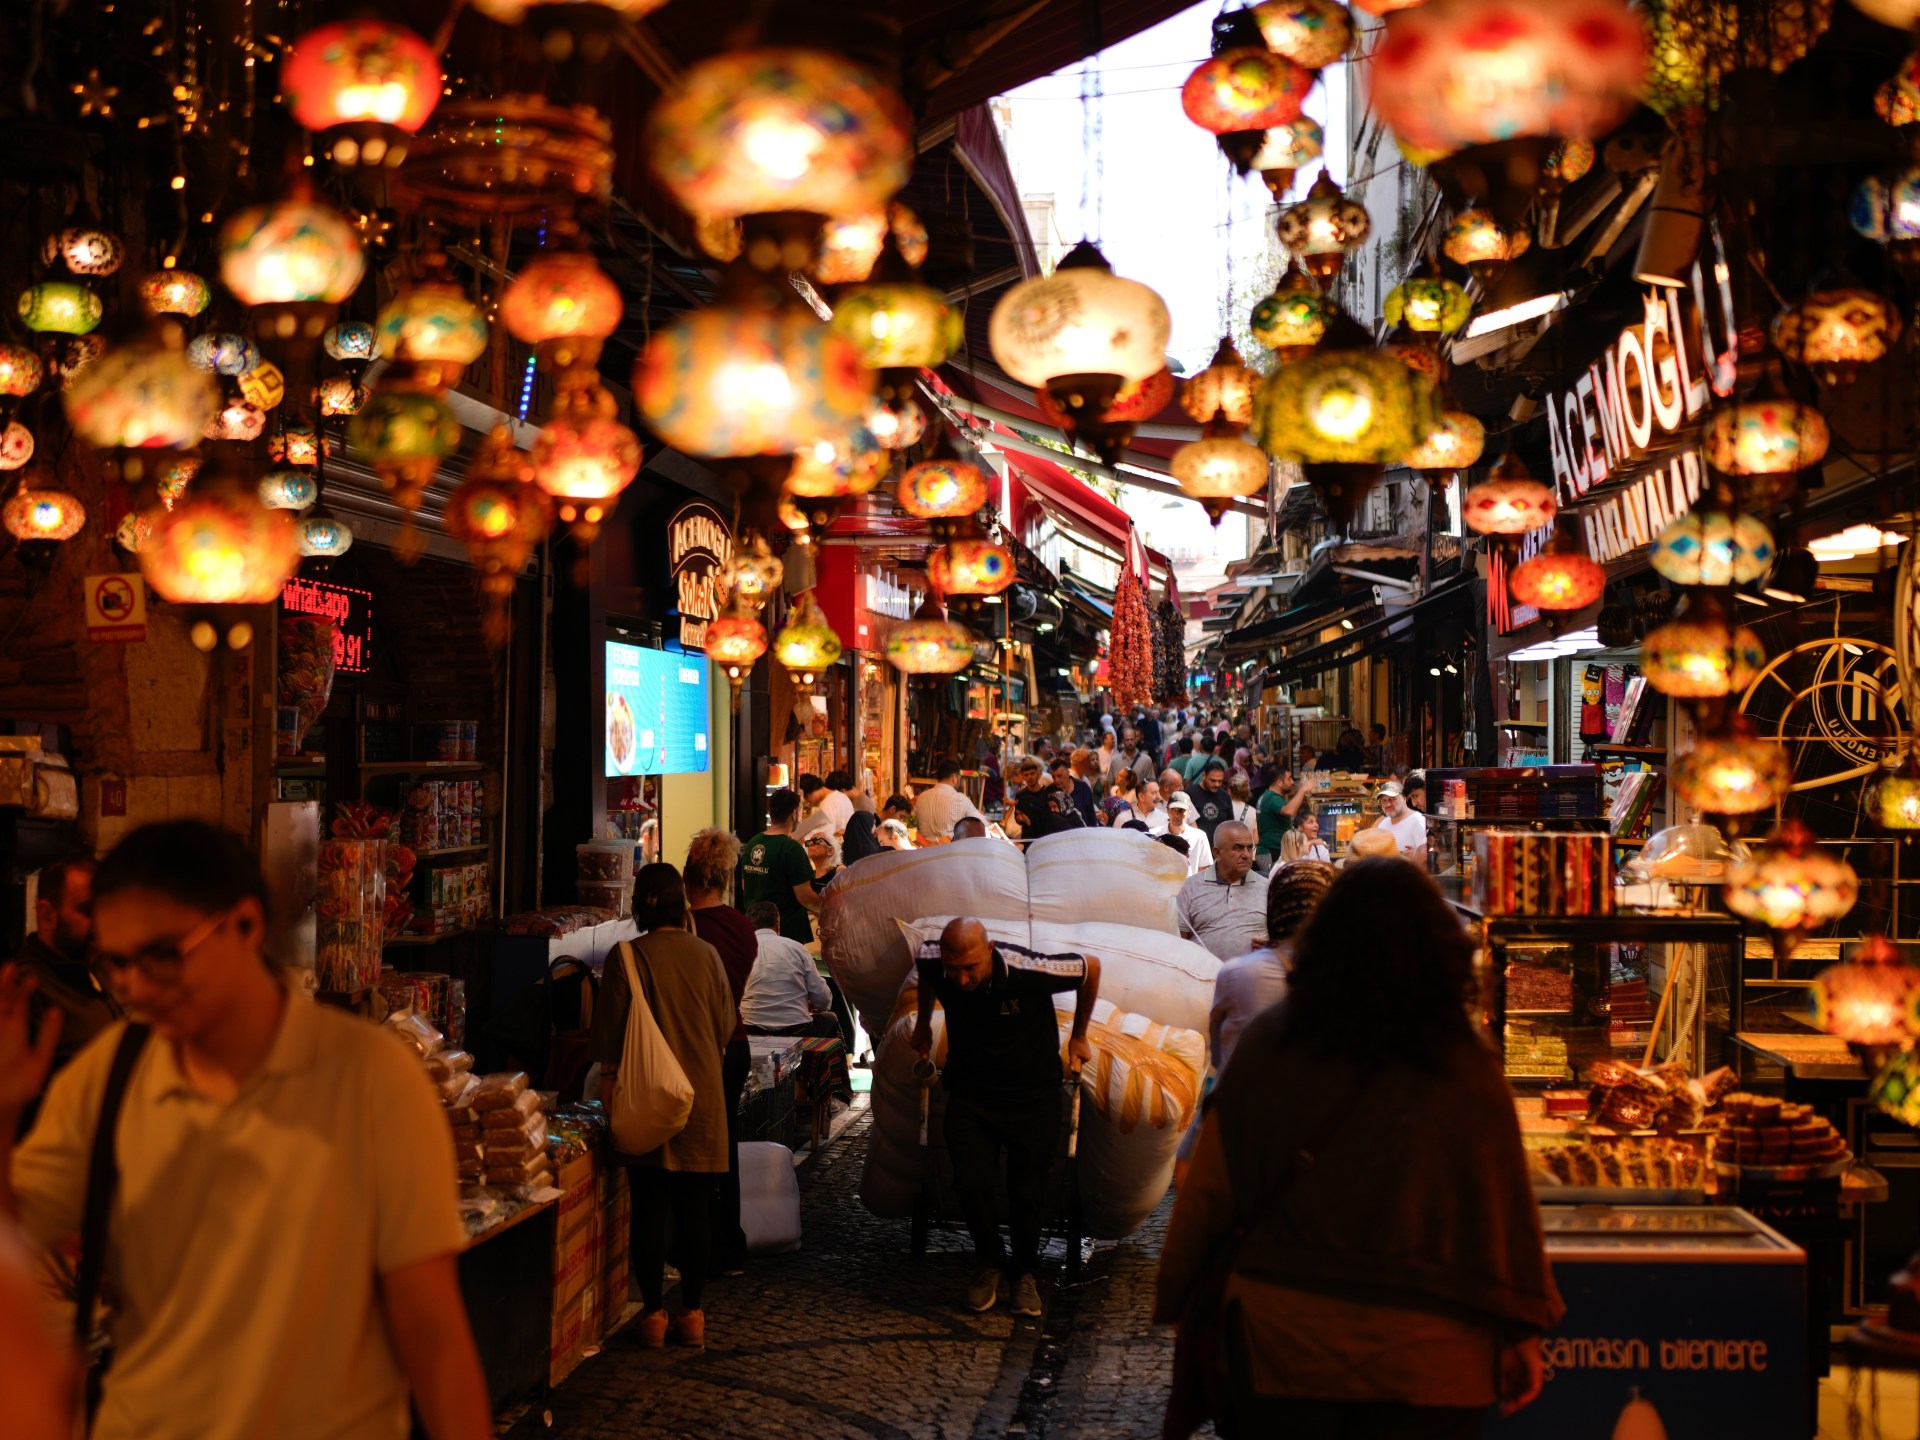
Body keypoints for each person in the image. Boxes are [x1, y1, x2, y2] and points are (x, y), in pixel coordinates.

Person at [1, 819, 490, 1440]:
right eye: (117, 964)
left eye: (161, 957)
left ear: (245, 925)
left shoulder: (371, 1081)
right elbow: (14, 1240)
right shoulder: (110, 1076)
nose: (136, 989)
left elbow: (433, 1336)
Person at [1156, 861, 1559, 1436]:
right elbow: (1504, 1206)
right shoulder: (1465, 1064)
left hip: (1285, 1351)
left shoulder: (1271, 1042)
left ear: (1323, 942)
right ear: (1440, 951)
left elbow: (1210, 1191)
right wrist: (1521, 1332)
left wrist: (1178, 1299)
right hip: (1430, 1359)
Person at [912, 918, 1102, 1318]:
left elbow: (1091, 968)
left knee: (1027, 1191)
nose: (962, 980)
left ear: (990, 949)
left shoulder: (1028, 969)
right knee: (970, 1181)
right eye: (953, 969)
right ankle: (989, 1263)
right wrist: (924, 1024)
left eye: (971, 968)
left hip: (1031, 1098)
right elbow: (926, 973)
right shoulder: (931, 959)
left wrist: (1080, 1035)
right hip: (971, 1095)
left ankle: (1025, 1273)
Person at [595, 863, 734, 1351]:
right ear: (682, 905)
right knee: (696, 1209)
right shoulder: (708, 955)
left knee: (649, 1208)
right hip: (701, 1099)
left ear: (640, 908)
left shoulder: (626, 957)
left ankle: (653, 1315)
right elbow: (725, 1025)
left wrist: (608, 1093)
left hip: (645, 1100)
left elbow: (608, 1041)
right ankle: (692, 1314)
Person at [683, 829, 757, 1281]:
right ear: (725, 879)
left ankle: (697, 1244)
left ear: (688, 877)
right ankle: (729, 1244)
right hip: (735, 1044)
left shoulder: (685, 929)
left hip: (699, 1049)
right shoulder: (742, 927)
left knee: (692, 1152)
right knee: (724, 1148)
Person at [16, 855, 119, 1118]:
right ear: (47, 915)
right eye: (86, 910)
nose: (99, 924)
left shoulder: (95, 967)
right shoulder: (24, 990)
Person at [740, 902, 838, 1038]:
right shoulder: (796, 948)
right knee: (830, 1019)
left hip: (750, 1029)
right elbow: (823, 1000)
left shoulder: (740, 950)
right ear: (778, 924)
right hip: (796, 1030)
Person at [1176, 821, 1269, 961]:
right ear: (1217, 853)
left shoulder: (1268, 888)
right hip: (1201, 972)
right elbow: (1179, 942)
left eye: (1250, 848)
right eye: (1238, 848)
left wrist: (1273, 945)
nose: (1246, 855)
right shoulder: (1190, 887)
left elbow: (1286, 940)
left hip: (1253, 973)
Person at [741, 790, 821, 945]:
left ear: (771, 812)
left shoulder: (752, 843)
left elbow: (746, 886)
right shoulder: (791, 849)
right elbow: (805, 896)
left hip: (754, 929)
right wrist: (826, 908)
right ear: (794, 814)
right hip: (785, 932)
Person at [1254, 763, 1315, 873]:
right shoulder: (1272, 798)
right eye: (1289, 779)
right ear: (1279, 782)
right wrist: (1302, 790)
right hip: (1271, 852)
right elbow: (1289, 811)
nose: (1292, 782)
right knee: (1274, 882)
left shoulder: (1268, 796)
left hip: (1269, 851)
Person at [915, 757, 985, 841]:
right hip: (950, 848)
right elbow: (983, 824)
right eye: (959, 778)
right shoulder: (960, 799)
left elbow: (916, 825)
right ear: (954, 778)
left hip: (925, 848)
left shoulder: (921, 797)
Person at [1375, 780, 1429, 866]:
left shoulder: (1418, 821)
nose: (1388, 804)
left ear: (1404, 798)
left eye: (1392, 799)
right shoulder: (1383, 824)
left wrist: (1415, 856)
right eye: (1384, 800)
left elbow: (1427, 859)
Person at [1163, 793, 1214, 875]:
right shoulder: (1155, 835)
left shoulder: (1199, 836)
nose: (1176, 815)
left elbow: (1203, 870)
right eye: (1173, 810)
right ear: (1167, 811)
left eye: (1181, 810)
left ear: (1189, 813)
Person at [1188, 760, 1234, 844]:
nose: (1217, 784)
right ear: (1204, 776)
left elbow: (1230, 824)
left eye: (1220, 781)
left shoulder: (1225, 796)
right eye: (1213, 780)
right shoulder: (1189, 794)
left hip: (1220, 847)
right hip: (1196, 845)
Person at [1052, 756, 1096, 828]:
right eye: (1053, 777)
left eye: (1059, 776)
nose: (1056, 780)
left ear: (1068, 773)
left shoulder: (1083, 788)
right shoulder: (1049, 792)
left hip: (1083, 832)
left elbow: (1091, 816)